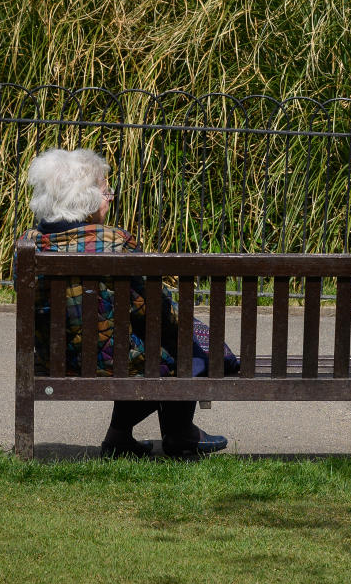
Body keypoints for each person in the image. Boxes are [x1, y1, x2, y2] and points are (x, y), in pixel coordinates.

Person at [19, 148, 238, 458]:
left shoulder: (29, 244)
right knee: (184, 344)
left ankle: (120, 437)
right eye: (106, 190)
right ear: (86, 199)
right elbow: (156, 313)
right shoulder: (115, 244)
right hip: (113, 363)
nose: (110, 197)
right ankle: (180, 434)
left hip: (57, 360)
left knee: (129, 340)